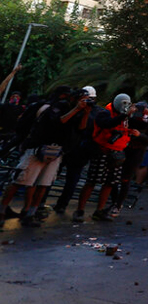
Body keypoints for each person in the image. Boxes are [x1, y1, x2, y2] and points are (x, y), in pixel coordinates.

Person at [0, 87, 91, 226]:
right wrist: (77, 109)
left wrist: (85, 112)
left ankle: (30, 212)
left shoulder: (76, 110)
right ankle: (3, 210)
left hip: (56, 151)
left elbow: (80, 129)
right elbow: (58, 122)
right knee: (20, 180)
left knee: (43, 183)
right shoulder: (53, 108)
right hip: (36, 148)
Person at [75, 93, 138, 222]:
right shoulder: (105, 113)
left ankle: (100, 210)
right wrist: (125, 115)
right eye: (123, 104)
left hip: (117, 152)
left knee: (110, 183)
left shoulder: (125, 117)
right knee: (92, 181)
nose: (125, 106)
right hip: (102, 150)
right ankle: (80, 210)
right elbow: (108, 124)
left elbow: (126, 126)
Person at [53, 86, 97, 214]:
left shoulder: (94, 112)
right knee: (55, 175)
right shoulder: (67, 107)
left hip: (80, 149)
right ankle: (44, 203)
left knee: (71, 179)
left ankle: (62, 204)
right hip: (66, 146)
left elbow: (83, 128)